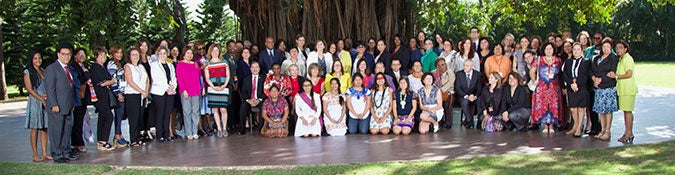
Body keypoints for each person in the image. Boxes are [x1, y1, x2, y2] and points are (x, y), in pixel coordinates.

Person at [45, 43, 76, 163]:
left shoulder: (69, 69)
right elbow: (50, 88)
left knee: (66, 130)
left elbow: (69, 88)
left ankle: (64, 152)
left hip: (67, 106)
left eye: (68, 54)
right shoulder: (52, 68)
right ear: (58, 54)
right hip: (57, 106)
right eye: (63, 54)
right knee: (56, 131)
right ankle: (57, 154)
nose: (66, 56)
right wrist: (54, 104)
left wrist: (71, 104)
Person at [24, 51, 51, 162]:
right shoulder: (28, 72)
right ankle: (35, 154)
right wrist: (41, 99)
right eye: (35, 58)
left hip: (45, 101)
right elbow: (29, 89)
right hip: (35, 102)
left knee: (45, 128)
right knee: (35, 128)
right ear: (31, 59)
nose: (38, 60)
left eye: (39, 58)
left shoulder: (43, 71)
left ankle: (44, 152)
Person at [530, 43, 563, 134]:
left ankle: (552, 125)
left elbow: (561, 74)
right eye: (547, 49)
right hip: (542, 87)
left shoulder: (558, 60)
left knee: (553, 106)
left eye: (550, 48)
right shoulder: (539, 60)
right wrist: (534, 80)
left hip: (554, 87)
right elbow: (532, 71)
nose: (549, 50)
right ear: (543, 50)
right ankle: (545, 125)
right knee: (543, 105)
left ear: (554, 50)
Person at [591, 40, 619, 141]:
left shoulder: (613, 58)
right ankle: (602, 130)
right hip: (598, 88)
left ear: (611, 48)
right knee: (601, 110)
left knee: (608, 110)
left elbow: (611, 72)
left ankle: (607, 131)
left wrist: (600, 79)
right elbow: (591, 70)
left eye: (608, 46)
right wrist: (594, 79)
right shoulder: (597, 58)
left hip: (608, 87)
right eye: (604, 46)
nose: (605, 48)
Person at [562, 43, 591, 137]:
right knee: (573, 108)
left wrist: (577, 84)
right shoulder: (568, 62)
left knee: (581, 108)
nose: (576, 51)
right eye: (574, 49)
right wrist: (571, 84)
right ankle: (575, 125)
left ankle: (579, 128)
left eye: (578, 49)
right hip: (571, 87)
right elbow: (565, 74)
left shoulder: (586, 62)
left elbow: (586, 75)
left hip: (581, 87)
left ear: (582, 51)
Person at [611, 40, 638, 143]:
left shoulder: (628, 59)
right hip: (622, 89)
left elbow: (629, 74)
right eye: (617, 48)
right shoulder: (621, 59)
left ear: (625, 49)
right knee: (626, 112)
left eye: (620, 48)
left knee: (628, 112)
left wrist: (616, 76)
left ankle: (628, 133)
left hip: (628, 89)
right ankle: (628, 133)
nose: (618, 50)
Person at [149, 46, 177, 142]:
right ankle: (159, 135)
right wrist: (167, 88)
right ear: (157, 54)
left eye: (164, 53)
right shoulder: (154, 65)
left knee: (167, 113)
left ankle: (166, 134)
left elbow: (174, 77)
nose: (162, 55)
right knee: (160, 113)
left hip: (170, 92)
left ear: (167, 54)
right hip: (159, 92)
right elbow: (156, 79)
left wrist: (173, 86)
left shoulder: (170, 65)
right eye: (160, 53)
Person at [176, 48, 203, 140]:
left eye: (191, 53)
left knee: (195, 111)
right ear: (184, 54)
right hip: (186, 91)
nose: (189, 55)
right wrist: (183, 90)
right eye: (187, 53)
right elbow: (179, 78)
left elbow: (200, 76)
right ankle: (188, 132)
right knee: (187, 112)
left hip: (196, 90)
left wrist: (202, 87)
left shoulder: (195, 64)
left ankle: (195, 131)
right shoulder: (180, 64)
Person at [204, 44, 231, 138]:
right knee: (215, 109)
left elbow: (228, 75)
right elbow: (207, 78)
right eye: (213, 50)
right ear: (210, 52)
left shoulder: (224, 62)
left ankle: (224, 128)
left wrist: (224, 85)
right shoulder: (208, 63)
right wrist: (213, 86)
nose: (215, 52)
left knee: (223, 109)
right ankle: (219, 129)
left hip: (223, 87)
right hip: (213, 88)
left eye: (217, 50)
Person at [106, 46, 130, 146]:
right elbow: (113, 80)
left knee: (121, 114)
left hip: (123, 91)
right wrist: (118, 93)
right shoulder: (112, 64)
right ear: (112, 54)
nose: (119, 55)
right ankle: (117, 135)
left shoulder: (119, 64)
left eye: (121, 52)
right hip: (118, 93)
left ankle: (119, 134)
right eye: (117, 53)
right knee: (119, 115)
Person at [69, 48, 89, 153]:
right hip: (78, 97)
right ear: (75, 56)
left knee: (80, 120)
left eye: (83, 54)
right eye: (79, 54)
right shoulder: (74, 66)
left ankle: (75, 143)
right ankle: (79, 143)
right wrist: (86, 74)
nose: (81, 56)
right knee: (78, 121)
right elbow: (78, 81)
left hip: (83, 97)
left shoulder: (82, 66)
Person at [239, 61, 266, 135]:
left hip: (260, 100)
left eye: (257, 67)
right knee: (243, 106)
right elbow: (243, 92)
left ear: (259, 68)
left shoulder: (264, 78)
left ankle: (261, 129)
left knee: (263, 106)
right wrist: (249, 100)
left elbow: (266, 92)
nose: (255, 69)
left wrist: (259, 100)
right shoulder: (246, 79)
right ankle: (242, 129)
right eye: (253, 67)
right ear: (250, 69)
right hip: (249, 100)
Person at [455, 60, 482, 128]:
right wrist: (467, 96)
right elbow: (457, 88)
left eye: (467, 66)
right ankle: (470, 121)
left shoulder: (477, 74)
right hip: (463, 96)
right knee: (464, 102)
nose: (464, 67)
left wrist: (475, 96)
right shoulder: (459, 74)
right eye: (464, 65)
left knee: (480, 100)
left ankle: (480, 120)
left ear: (472, 66)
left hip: (474, 95)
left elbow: (479, 88)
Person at [432, 58, 455, 129]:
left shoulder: (450, 72)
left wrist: (441, 90)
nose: (445, 66)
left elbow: (450, 83)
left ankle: (448, 123)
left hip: (448, 93)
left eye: (445, 64)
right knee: (436, 103)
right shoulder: (433, 73)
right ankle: (439, 121)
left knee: (447, 103)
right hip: (436, 93)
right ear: (437, 67)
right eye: (442, 65)